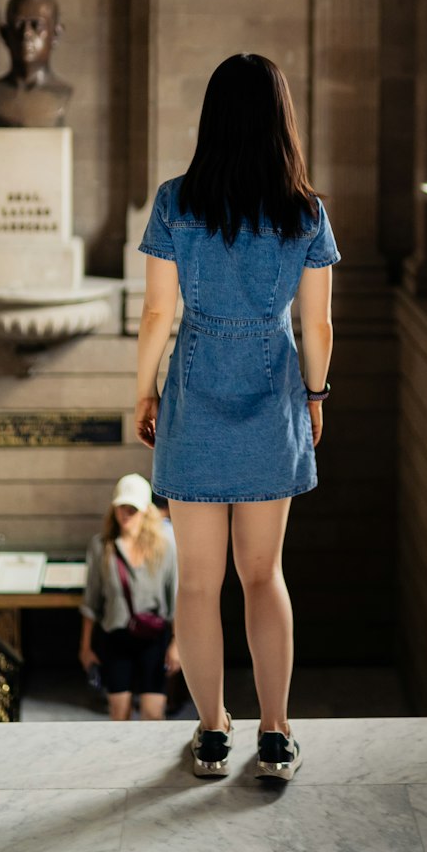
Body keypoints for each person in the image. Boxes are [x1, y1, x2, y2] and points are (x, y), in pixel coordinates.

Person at [135, 53, 338, 780]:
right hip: (273, 393)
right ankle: (276, 732)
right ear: (281, 120)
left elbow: (159, 311)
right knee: (263, 575)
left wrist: (145, 391)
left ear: (212, 118)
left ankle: (214, 732)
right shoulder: (306, 213)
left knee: (197, 581)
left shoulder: (175, 203)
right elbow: (316, 327)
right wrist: (315, 397)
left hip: (194, 391)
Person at [78, 473, 180, 721]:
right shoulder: (102, 546)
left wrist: (177, 645)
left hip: (154, 636)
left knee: (153, 713)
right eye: (121, 507)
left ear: (146, 511)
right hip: (116, 635)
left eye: (132, 509)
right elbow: (92, 601)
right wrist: (85, 646)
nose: (126, 514)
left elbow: (176, 598)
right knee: (119, 713)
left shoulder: (166, 545)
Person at [0, 0, 73, 128]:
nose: (26, 33)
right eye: (19, 25)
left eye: (36, 25)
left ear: (55, 34)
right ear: (5, 34)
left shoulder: (64, 92)